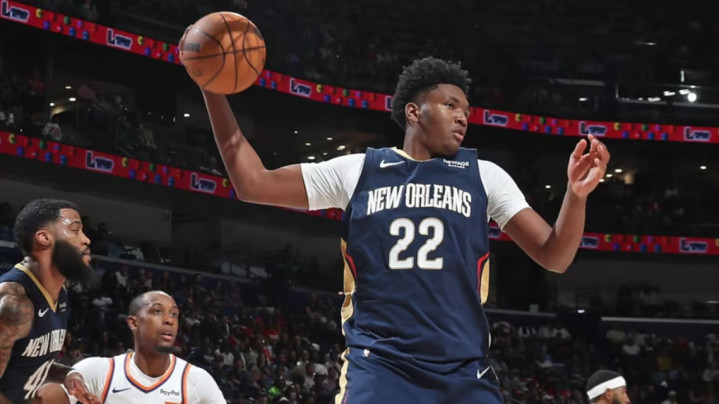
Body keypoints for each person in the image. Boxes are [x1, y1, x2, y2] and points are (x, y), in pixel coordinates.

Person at [180, 35, 610, 403]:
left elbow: (554, 256)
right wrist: (210, 86)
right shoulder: (358, 171)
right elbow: (252, 182)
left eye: (466, 109)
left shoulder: (484, 175)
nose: (463, 116)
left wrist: (575, 195)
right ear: (413, 112)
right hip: (381, 367)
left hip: (464, 371)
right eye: (450, 104)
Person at [32, 291, 225, 404]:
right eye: (158, 311)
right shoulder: (98, 371)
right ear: (133, 322)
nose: (169, 320)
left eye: (174, 314)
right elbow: (44, 398)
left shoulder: (197, 380)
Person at [0, 199, 94, 403]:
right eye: (75, 230)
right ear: (44, 238)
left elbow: (26, 363)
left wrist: (67, 374)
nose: (86, 240)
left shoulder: (59, 294)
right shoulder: (13, 303)